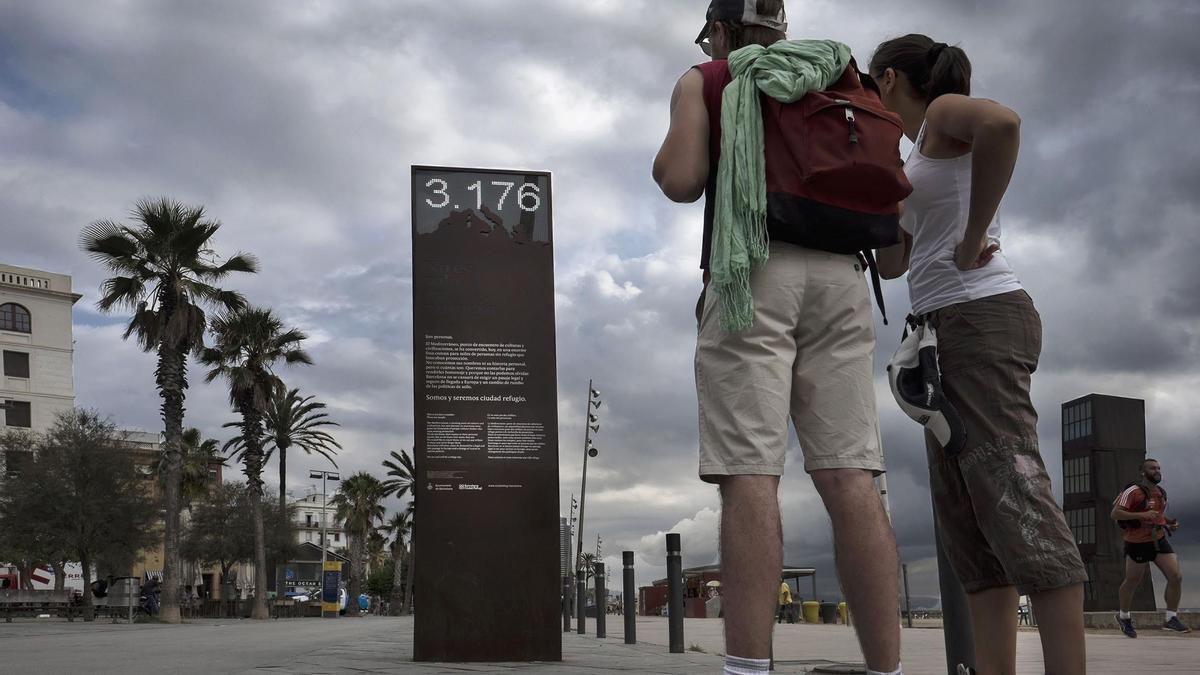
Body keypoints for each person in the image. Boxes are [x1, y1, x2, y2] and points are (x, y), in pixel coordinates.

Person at [653, 2, 903, 674]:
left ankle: (747, 668)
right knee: (853, 475)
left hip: (753, 272)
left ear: (726, 32)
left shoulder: (712, 78)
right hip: (846, 277)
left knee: (750, 475)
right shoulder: (841, 75)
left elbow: (681, 180)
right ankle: (888, 668)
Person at [870, 34, 1088, 674]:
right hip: (940, 331)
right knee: (970, 523)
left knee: (1012, 490)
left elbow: (1003, 124)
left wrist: (970, 239)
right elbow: (891, 264)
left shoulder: (942, 114)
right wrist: (872, 188)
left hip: (982, 315)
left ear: (887, 80)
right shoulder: (913, 155)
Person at [1111, 458, 1189, 636]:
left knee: (1176, 576)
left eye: (1159, 468)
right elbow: (1115, 513)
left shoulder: (1160, 492)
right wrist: (1143, 514)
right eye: (1153, 468)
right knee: (1132, 581)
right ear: (1143, 472)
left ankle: (1170, 618)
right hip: (1137, 542)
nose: (1157, 471)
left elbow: (1158, 515)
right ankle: (1123, 617)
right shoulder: (1133, 491)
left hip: (1158, 539)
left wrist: (1169, 523)